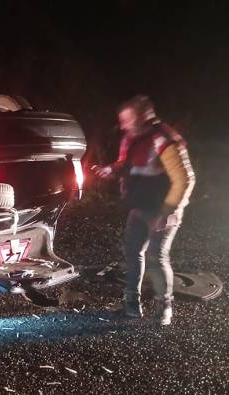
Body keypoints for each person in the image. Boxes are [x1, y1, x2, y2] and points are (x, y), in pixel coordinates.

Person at [93, 95, 195, 325]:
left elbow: (185, 179)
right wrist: (111, 170)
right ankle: (131, 306)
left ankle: (163, 310)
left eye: (127, 120)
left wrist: (168, 211)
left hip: (161, 211)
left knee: (156, 259)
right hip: (139, 207)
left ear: (143, 118)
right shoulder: (131, 138)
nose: (123, 126)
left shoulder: (164, 139)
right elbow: (126, 164)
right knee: (133, 255)